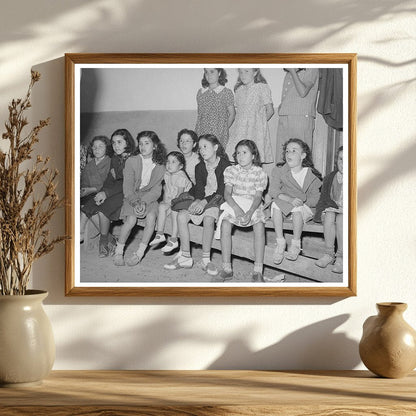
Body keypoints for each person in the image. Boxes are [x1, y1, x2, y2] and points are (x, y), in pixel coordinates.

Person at [164, 134, 230, 276]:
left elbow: (221, 191)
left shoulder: (225, 165)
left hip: (218, 200)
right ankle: (185, 256)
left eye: (205, 146)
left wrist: (203, 202)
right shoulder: (199, 166)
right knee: (182, 216)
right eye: (200, 148)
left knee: (208, 218)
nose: (202, 150)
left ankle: (206, 260)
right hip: (202, 199)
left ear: (216, 147)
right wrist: (196, 201)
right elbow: (199, 189)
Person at [216, 140, 268, 283]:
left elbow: (258, 196)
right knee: (225, 224)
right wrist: (237, 209)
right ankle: (227, 269)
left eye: (244, 152)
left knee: (259, 225)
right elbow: (227, 194)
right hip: (235, 203)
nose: (240, 156)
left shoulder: (260, 173)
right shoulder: (232, 170)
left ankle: (258, 270)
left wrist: (250, 212)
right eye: (238, 153)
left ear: (253, 156)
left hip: (253, 205)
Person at [113, 131, 166, 266]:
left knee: (151, 218)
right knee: (131, 220)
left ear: (154, 146)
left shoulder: (161, 165)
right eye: (140, 143)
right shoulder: (132, 160)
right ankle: (119, 251)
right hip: (132, 195)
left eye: (147, 143)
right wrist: (136, 202)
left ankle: (140, 253)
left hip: (149, 197)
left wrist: (144, 201)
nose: (143, 146)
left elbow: (156, 189)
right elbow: (128, 186)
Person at [81, 129, 136, 257]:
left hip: (127, 192)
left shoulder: (132, 159)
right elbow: (110, 180)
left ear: (127, 142)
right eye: (114, 143)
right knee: (89, 206)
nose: (116, 146)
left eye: (119, 142)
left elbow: (126, 184)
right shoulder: (115, 159)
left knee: (102, 210)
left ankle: (103, 242)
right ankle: (110, 238)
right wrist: (101, 192)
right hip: (115, 190)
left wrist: (106, 194)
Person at [268, 138, 322, 263]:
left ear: (303, 155)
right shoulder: (280, 170)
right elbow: (273, 191)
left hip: (302, 208)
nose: (289, 154)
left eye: (294, 151)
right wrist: (289, 199)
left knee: (297, 209)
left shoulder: (311, 175)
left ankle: (296, 244)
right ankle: (280, 242)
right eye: (287, 151)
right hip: (285, 206)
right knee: (275, 204)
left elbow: (316, 198)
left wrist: (302, 201)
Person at [226, 68, 274, 164]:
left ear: (255, 72)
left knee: (253, 157)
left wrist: (260, 124)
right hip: (239, 130)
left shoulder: (262, 87)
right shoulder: (239, 90)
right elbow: (237, 112)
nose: (243, 75)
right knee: (239, 156)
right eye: (241, 72)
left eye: (247, 71)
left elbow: (270, 110)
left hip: (254, 131)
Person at [149, 151, 192, 253]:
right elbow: (167, 190)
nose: (169, 164)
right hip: (172, 200)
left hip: (183, 201)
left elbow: (179, 196)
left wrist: (170, 204)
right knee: (161, 206)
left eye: (173, 162)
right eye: (168, 161)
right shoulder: (167, 174)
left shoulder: (181, 176)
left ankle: (173, 239)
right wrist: (165, 203)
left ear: (181, 166)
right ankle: (160, 234)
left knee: (174, 210)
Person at [275, 68, 319, 160]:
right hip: (285, 115)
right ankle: (282, 174)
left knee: (300, 156)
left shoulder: (311, 69)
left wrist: (292, 71)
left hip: (300, 116)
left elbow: (303, 92)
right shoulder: (290, 72)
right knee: (282, 156)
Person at [314, 146, 343, 273]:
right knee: (330, 214)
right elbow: (323, 199)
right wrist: (320, 213)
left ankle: (341, 257)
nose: (343, 163)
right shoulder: (330, 177)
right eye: (341, 159)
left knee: (342, 218)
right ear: (336, 161)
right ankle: (329, 254)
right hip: (334, 209)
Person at [79, 135, 112, 243]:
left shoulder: (110, 162)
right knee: (85, 202)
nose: (97, 149)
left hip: (106, 194)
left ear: (106, 148)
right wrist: (84, 190)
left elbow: (109, 183)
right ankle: (110, 238)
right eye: (94, 147)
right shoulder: (89, 165)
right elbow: (84, 182)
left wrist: (92, 190)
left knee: (88, 206)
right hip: (90, 194)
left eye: (100, 146)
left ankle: (81, 231)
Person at [195, 68, 235, 148]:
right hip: (202, 132)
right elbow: (200, 115)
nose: (209, 75)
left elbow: (232, 114)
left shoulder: (225, 92)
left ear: (219, 73)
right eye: (206, 72)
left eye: (212, 72)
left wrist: (223, 129)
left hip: (218, 134)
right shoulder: (201, 92)